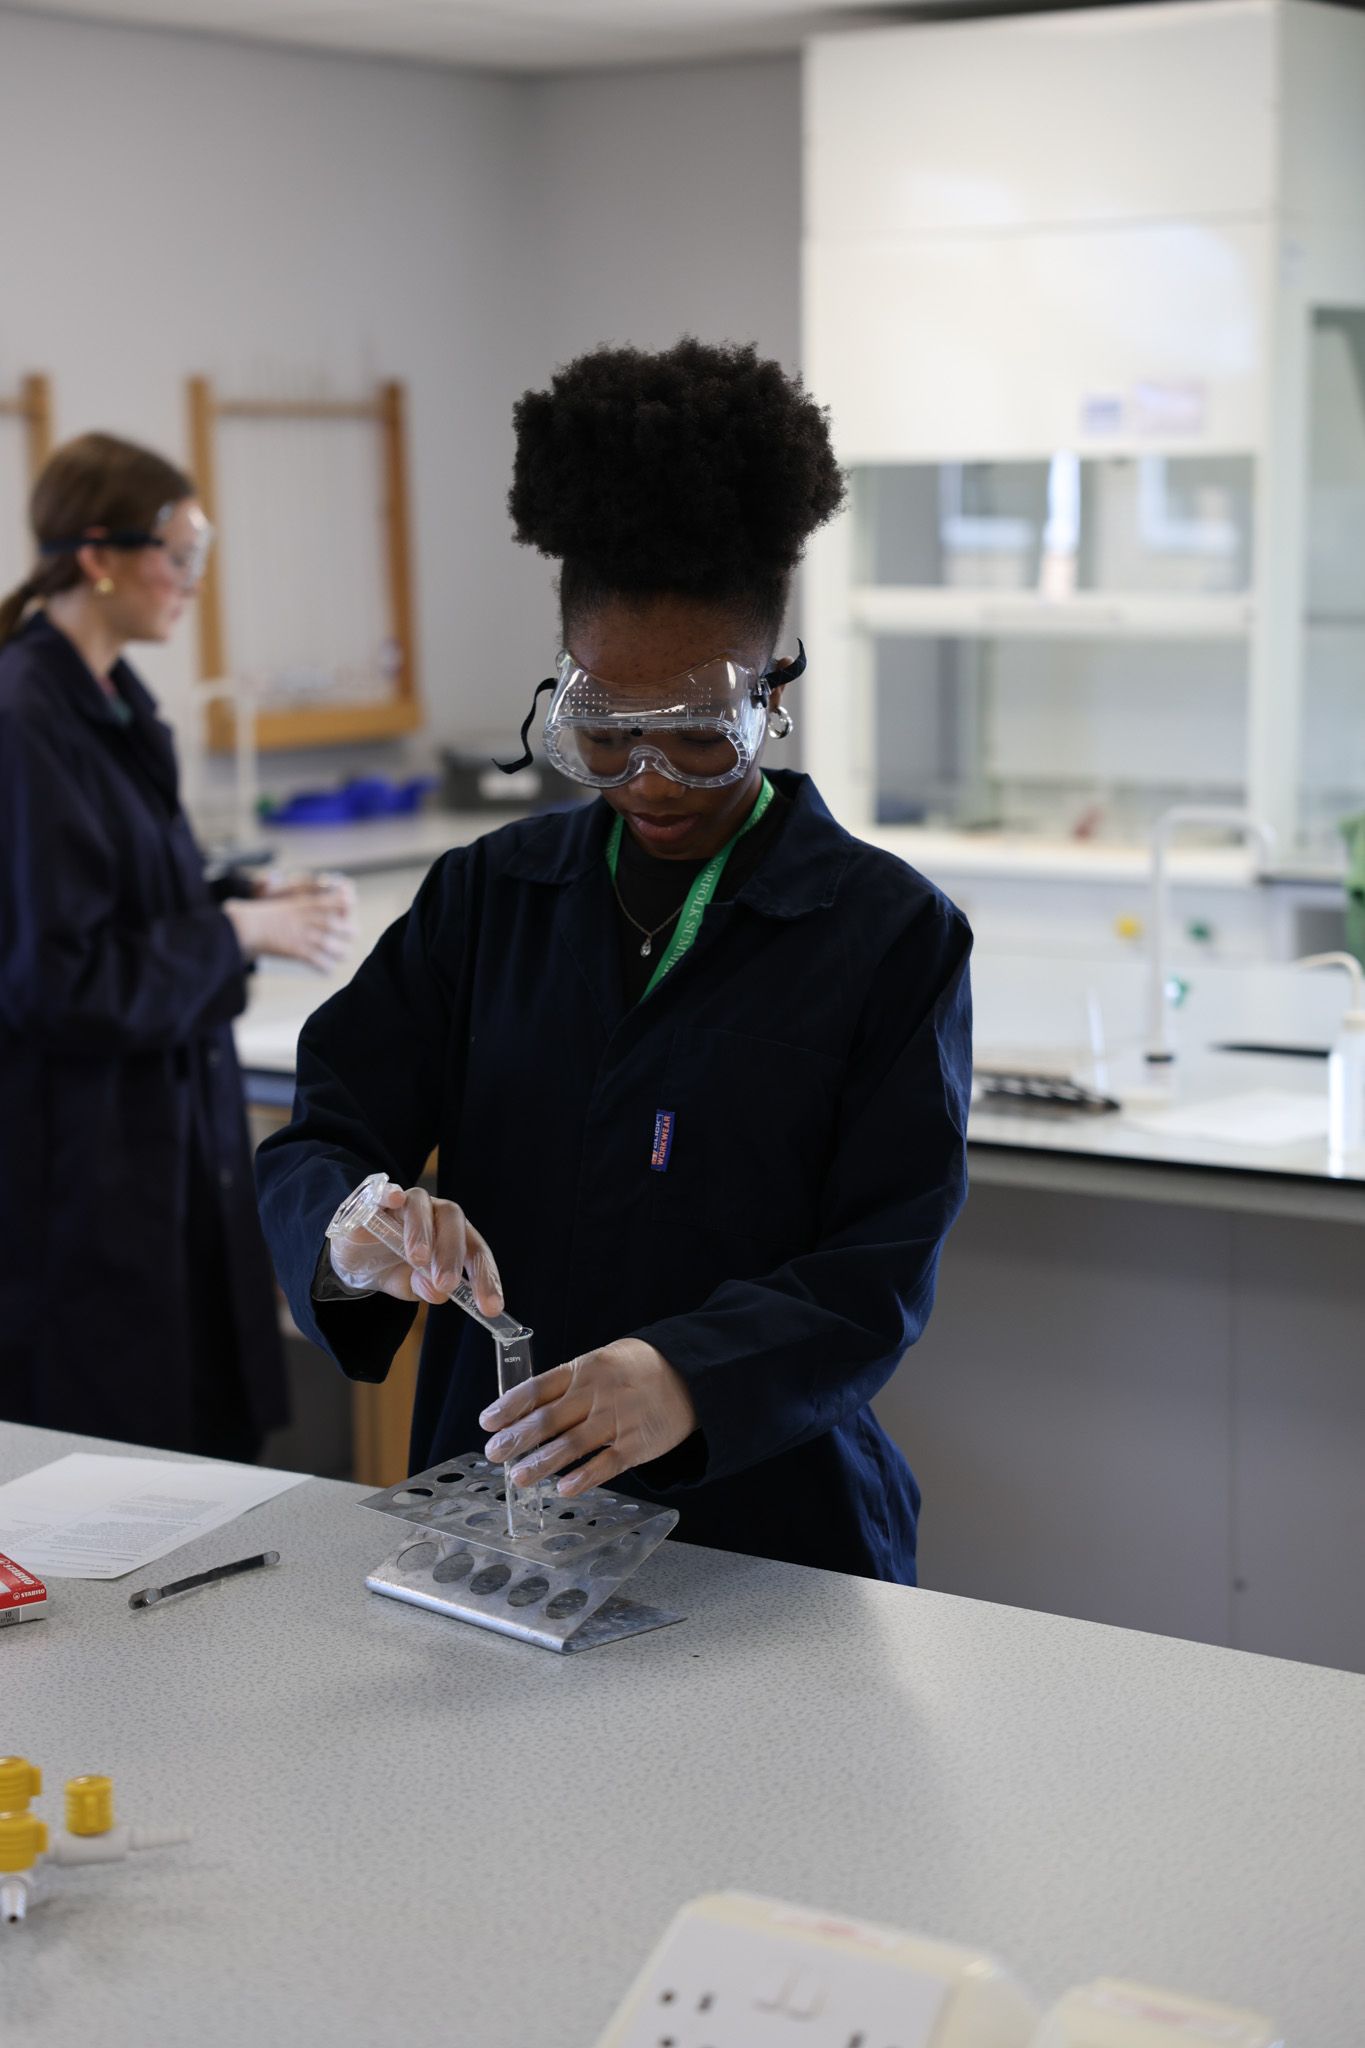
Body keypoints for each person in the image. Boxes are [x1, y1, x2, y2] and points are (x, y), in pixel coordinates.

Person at [257, 341, 972, 1580]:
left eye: (697, 735)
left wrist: (683, 1373)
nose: (648, 778)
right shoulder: (488, 897)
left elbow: (879, 1270)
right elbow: (323, 1131)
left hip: (771, 1533)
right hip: (497, 1513)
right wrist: (353, 1225)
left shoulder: (887, 933)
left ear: (774, 693)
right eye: (603, 731)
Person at [0, 432, 356, 1459]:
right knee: (123, 1457)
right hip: (83, 1175)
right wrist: (237, 929)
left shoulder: (108, 698)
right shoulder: (25, 717)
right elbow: (57, 975)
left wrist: (236, 895)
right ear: (98, 556)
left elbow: (115, 892)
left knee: (201, 1431)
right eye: (180, 554)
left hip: (159, 1147)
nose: (196, 582)